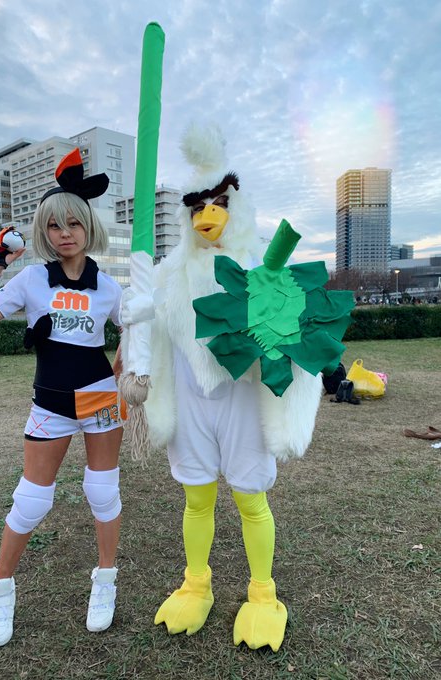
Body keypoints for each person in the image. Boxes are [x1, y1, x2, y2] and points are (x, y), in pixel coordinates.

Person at [129, 123, 330, 652]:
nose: (207, 215)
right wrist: (136, 324)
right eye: (197, 206)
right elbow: (148, 333)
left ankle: (263, 595)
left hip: (243, 399)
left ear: (237, 207)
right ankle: (196, 584)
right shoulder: (166, 274)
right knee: (196, 498)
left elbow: (296, 338)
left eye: (218, 203)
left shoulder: (262, 268)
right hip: (190, 399)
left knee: (250, 499)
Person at [0, 148, 124, 648]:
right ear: (44, 232)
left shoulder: (110, 287)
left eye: (74, 223)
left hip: (101, 401)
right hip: (50, 402)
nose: (65, 233)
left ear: (88, 227)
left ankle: (105, 582)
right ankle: (2, 591)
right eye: (54, 225)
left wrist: (120, 374)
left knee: (103, 493)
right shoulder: (32, 279)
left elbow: (137, 332)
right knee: (31, 501)